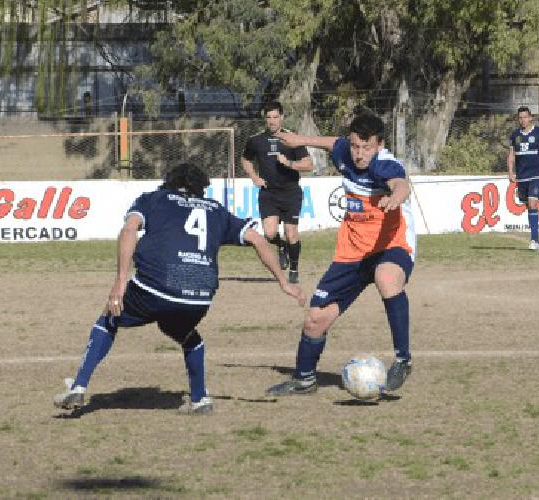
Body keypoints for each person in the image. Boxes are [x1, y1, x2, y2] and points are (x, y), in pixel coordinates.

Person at [52, 163, 304, 415]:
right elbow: (258, 239)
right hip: (199, 296)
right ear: (201, 187)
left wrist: (119, 282)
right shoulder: (215, 209)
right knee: (186, 334)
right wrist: (283, 281)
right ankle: (200, 399)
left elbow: (129, 229)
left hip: (155, 287)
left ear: (170, 181)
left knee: (109, 319)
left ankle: (78, 386)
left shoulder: (153, 199)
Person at [267, 113, 417, 397]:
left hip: (392, 243)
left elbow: (401, 184)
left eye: (367, 147)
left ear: (380, 144)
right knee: (315, 319)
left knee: (386, 278)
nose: (360, 155)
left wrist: (395, 197)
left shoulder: (384, 164)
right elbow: (332, 143)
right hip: (353, 250)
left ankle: (402, 359)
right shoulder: (344, 151)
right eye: (356, 146)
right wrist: (300, 140)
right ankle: (304, 379)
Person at [241, 101, 314, 283]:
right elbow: (245, 159)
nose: (272, 121)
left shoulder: (292, 139)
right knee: (270, 234)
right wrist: (254, 177)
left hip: (290, 193)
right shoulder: (256, 140)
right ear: (265, 119)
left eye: (275, 117)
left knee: (292, 234)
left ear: (282, 117)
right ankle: (281, 247)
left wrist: (289, 163)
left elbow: (308, 164)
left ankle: (294, 269)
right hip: (268, 193)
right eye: (269, 117)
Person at [506, 106, 539, 251]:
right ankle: (535, 235)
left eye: (525, 117)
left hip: (537, 174)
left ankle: (535, 240)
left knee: (533, 204)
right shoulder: (515, 135)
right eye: (520, 118)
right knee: (528, 206)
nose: (523, 120)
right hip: (522, 176)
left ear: (530, 117)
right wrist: (510, 172)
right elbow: (511, 155)